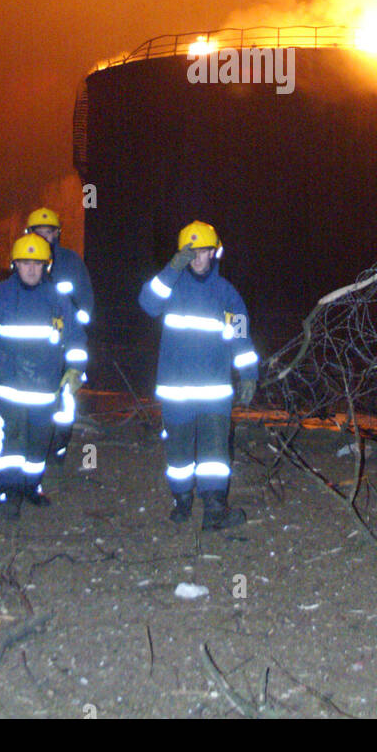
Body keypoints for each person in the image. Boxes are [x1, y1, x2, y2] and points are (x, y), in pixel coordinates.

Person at [138, 221, 258, 530]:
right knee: (178, 452)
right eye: (190, 252)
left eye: (203, 251)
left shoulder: (227, 294)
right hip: (176, 391)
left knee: (215, 453)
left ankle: (215, 510)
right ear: (181, 255)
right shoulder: (171, 285)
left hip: (215, 392)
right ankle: (182, 501)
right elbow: (148, 303)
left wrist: (248, 374)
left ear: (214, 253)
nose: (197, 258)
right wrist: (170, 268)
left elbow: (241, 337)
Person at [0, 233, 86, 518]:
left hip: (45, 388)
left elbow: (77, 338)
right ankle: (9, 491)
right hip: (9, 386)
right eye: (25, 262)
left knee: (40, 440)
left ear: (47, 266)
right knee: (14, 438)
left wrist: (75, 368)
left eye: (37, 263)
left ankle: (31, 486)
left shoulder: (58, 300)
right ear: (14, 265)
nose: (31, 269)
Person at [23, 206, 94, 463]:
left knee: (64, 401)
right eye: (38, 233)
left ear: (57, 234)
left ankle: (59, 447)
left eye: (48, 232)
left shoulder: (72, 262)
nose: (44, 238)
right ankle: (34, 447)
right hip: (33, 346)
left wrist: (74, 336)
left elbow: (85, 305)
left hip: (64, 347)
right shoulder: (24, 262)